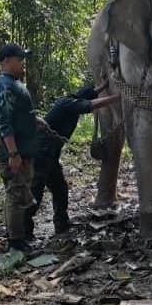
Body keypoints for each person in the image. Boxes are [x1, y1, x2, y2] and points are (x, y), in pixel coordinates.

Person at [26, 86, 120, 238]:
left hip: (51, 154)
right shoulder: (68, 104)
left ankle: (61, 223)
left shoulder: (72, 101)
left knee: (60, 189)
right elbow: (93, 104)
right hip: (41, 153)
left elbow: (92, 94)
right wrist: (118, 97)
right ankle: (24, 232)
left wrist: (105, 84)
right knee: (36, 191)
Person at [0, 43, 38, 252]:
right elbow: (4, 122)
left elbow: (19, 115)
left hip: (24, 150)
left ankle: (20, 236)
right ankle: (15, 242)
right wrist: (13, 153)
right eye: (20, 60)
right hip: (15, 153)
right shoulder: (4, 86)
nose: (23, 64)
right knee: (15, 195)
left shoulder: (14, 83)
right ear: (6, 61)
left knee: (20, 193)